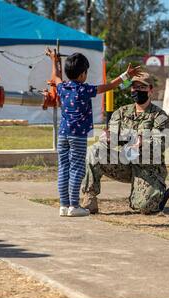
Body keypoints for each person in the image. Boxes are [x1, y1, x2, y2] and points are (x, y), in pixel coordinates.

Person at [45, 48, 141, 217]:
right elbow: (110, 85)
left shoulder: (62, 87)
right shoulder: (84, 90)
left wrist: (54, 60)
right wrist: (126, 75)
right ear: (83, 74)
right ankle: (74, 206)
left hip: (63, 134)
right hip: (78, 136)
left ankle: (63, 205)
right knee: (77, 169)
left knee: (63, 168)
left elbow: (56, 76)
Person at [81, 72, 169, 215]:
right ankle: (89, 198)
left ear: (150, 90)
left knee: (144, 208)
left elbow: (160, 144)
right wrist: (122, 139)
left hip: (148, 168)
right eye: (134, 87)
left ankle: (156, 192)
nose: (137, 91)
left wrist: (139, 141)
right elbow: (109, 138)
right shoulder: (121, 112)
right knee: (94, 151)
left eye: (142, 87)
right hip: (124, 164)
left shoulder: (159, 116)